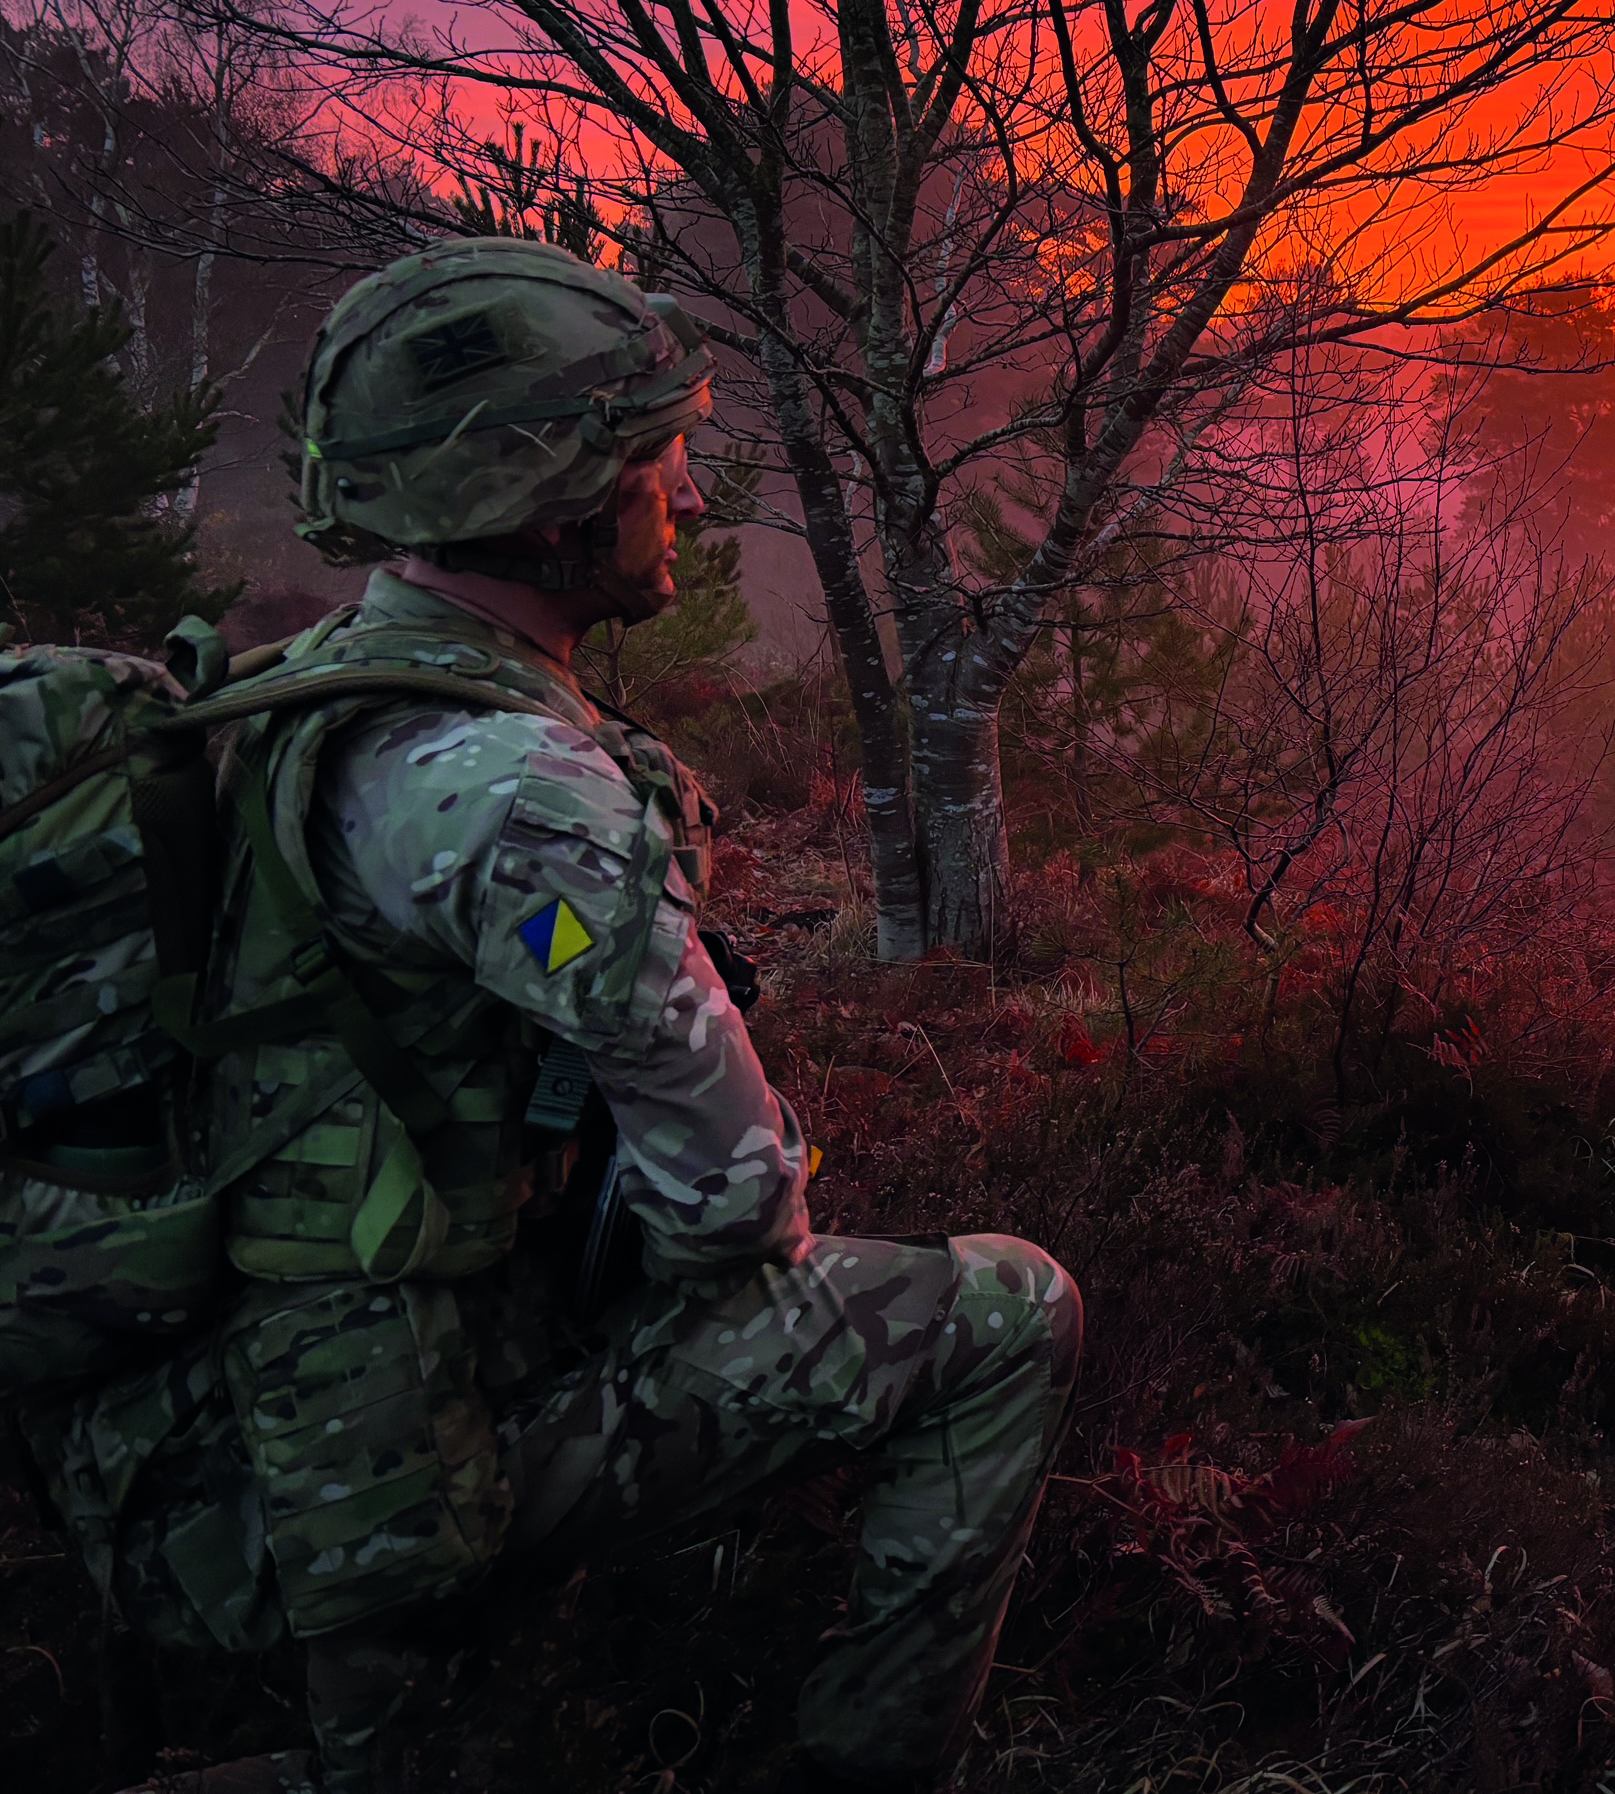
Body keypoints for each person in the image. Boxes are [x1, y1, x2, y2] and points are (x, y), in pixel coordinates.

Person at [9, 238, 1081, 1793]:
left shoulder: (284, 694)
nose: (694, 501)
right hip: (355, 1488)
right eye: (663, 460)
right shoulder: (517, 799)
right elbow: (732, 1206)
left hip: (162, 1440)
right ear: (552, 493)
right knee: (1006, 1312)